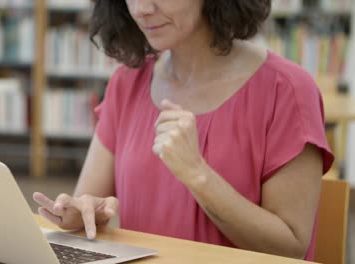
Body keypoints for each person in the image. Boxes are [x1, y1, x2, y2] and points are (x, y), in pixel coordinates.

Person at [33, 0, 334, 261]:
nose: (142, 10)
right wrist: (82, 212)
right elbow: (87, 200)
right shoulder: (127, 82)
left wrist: (197, 173)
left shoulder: (287, 90)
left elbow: (290, 248)